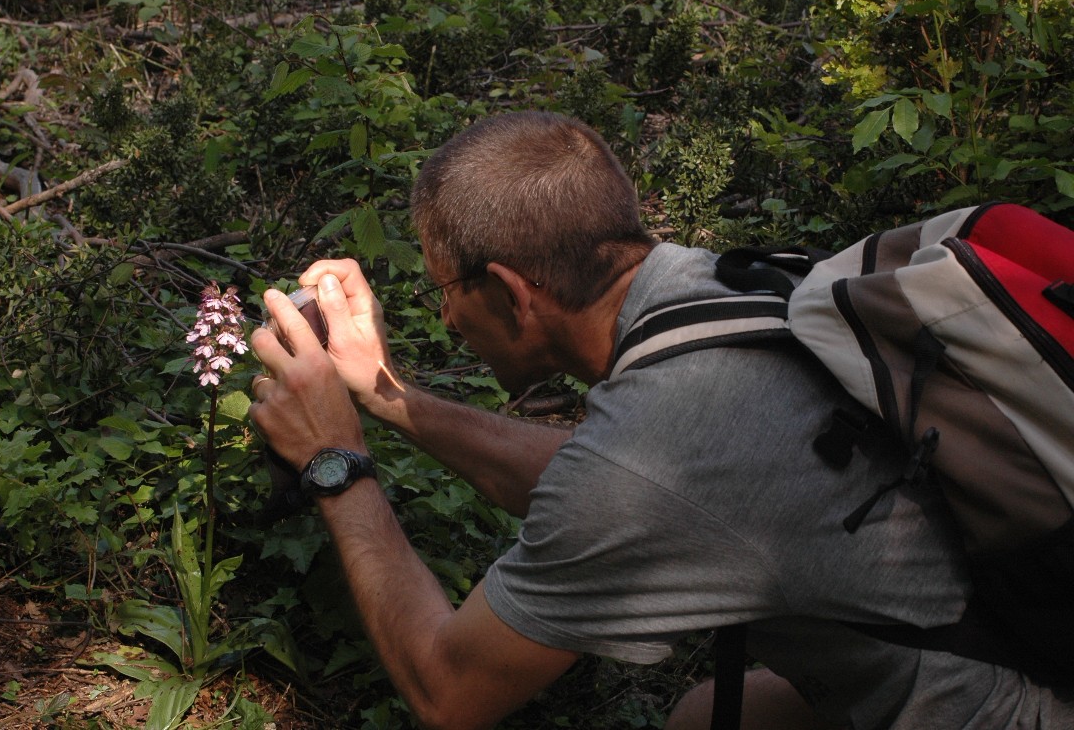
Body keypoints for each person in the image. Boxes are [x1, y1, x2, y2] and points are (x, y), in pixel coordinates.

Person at [247, 111, 1073, 730]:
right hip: (1021, 635)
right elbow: (621, 478)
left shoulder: (648, 459)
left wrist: (335, 463)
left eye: (446, 291)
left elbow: (448, 688)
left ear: (510, 292)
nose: (446, 320)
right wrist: (389, 396)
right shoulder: (723, 287)